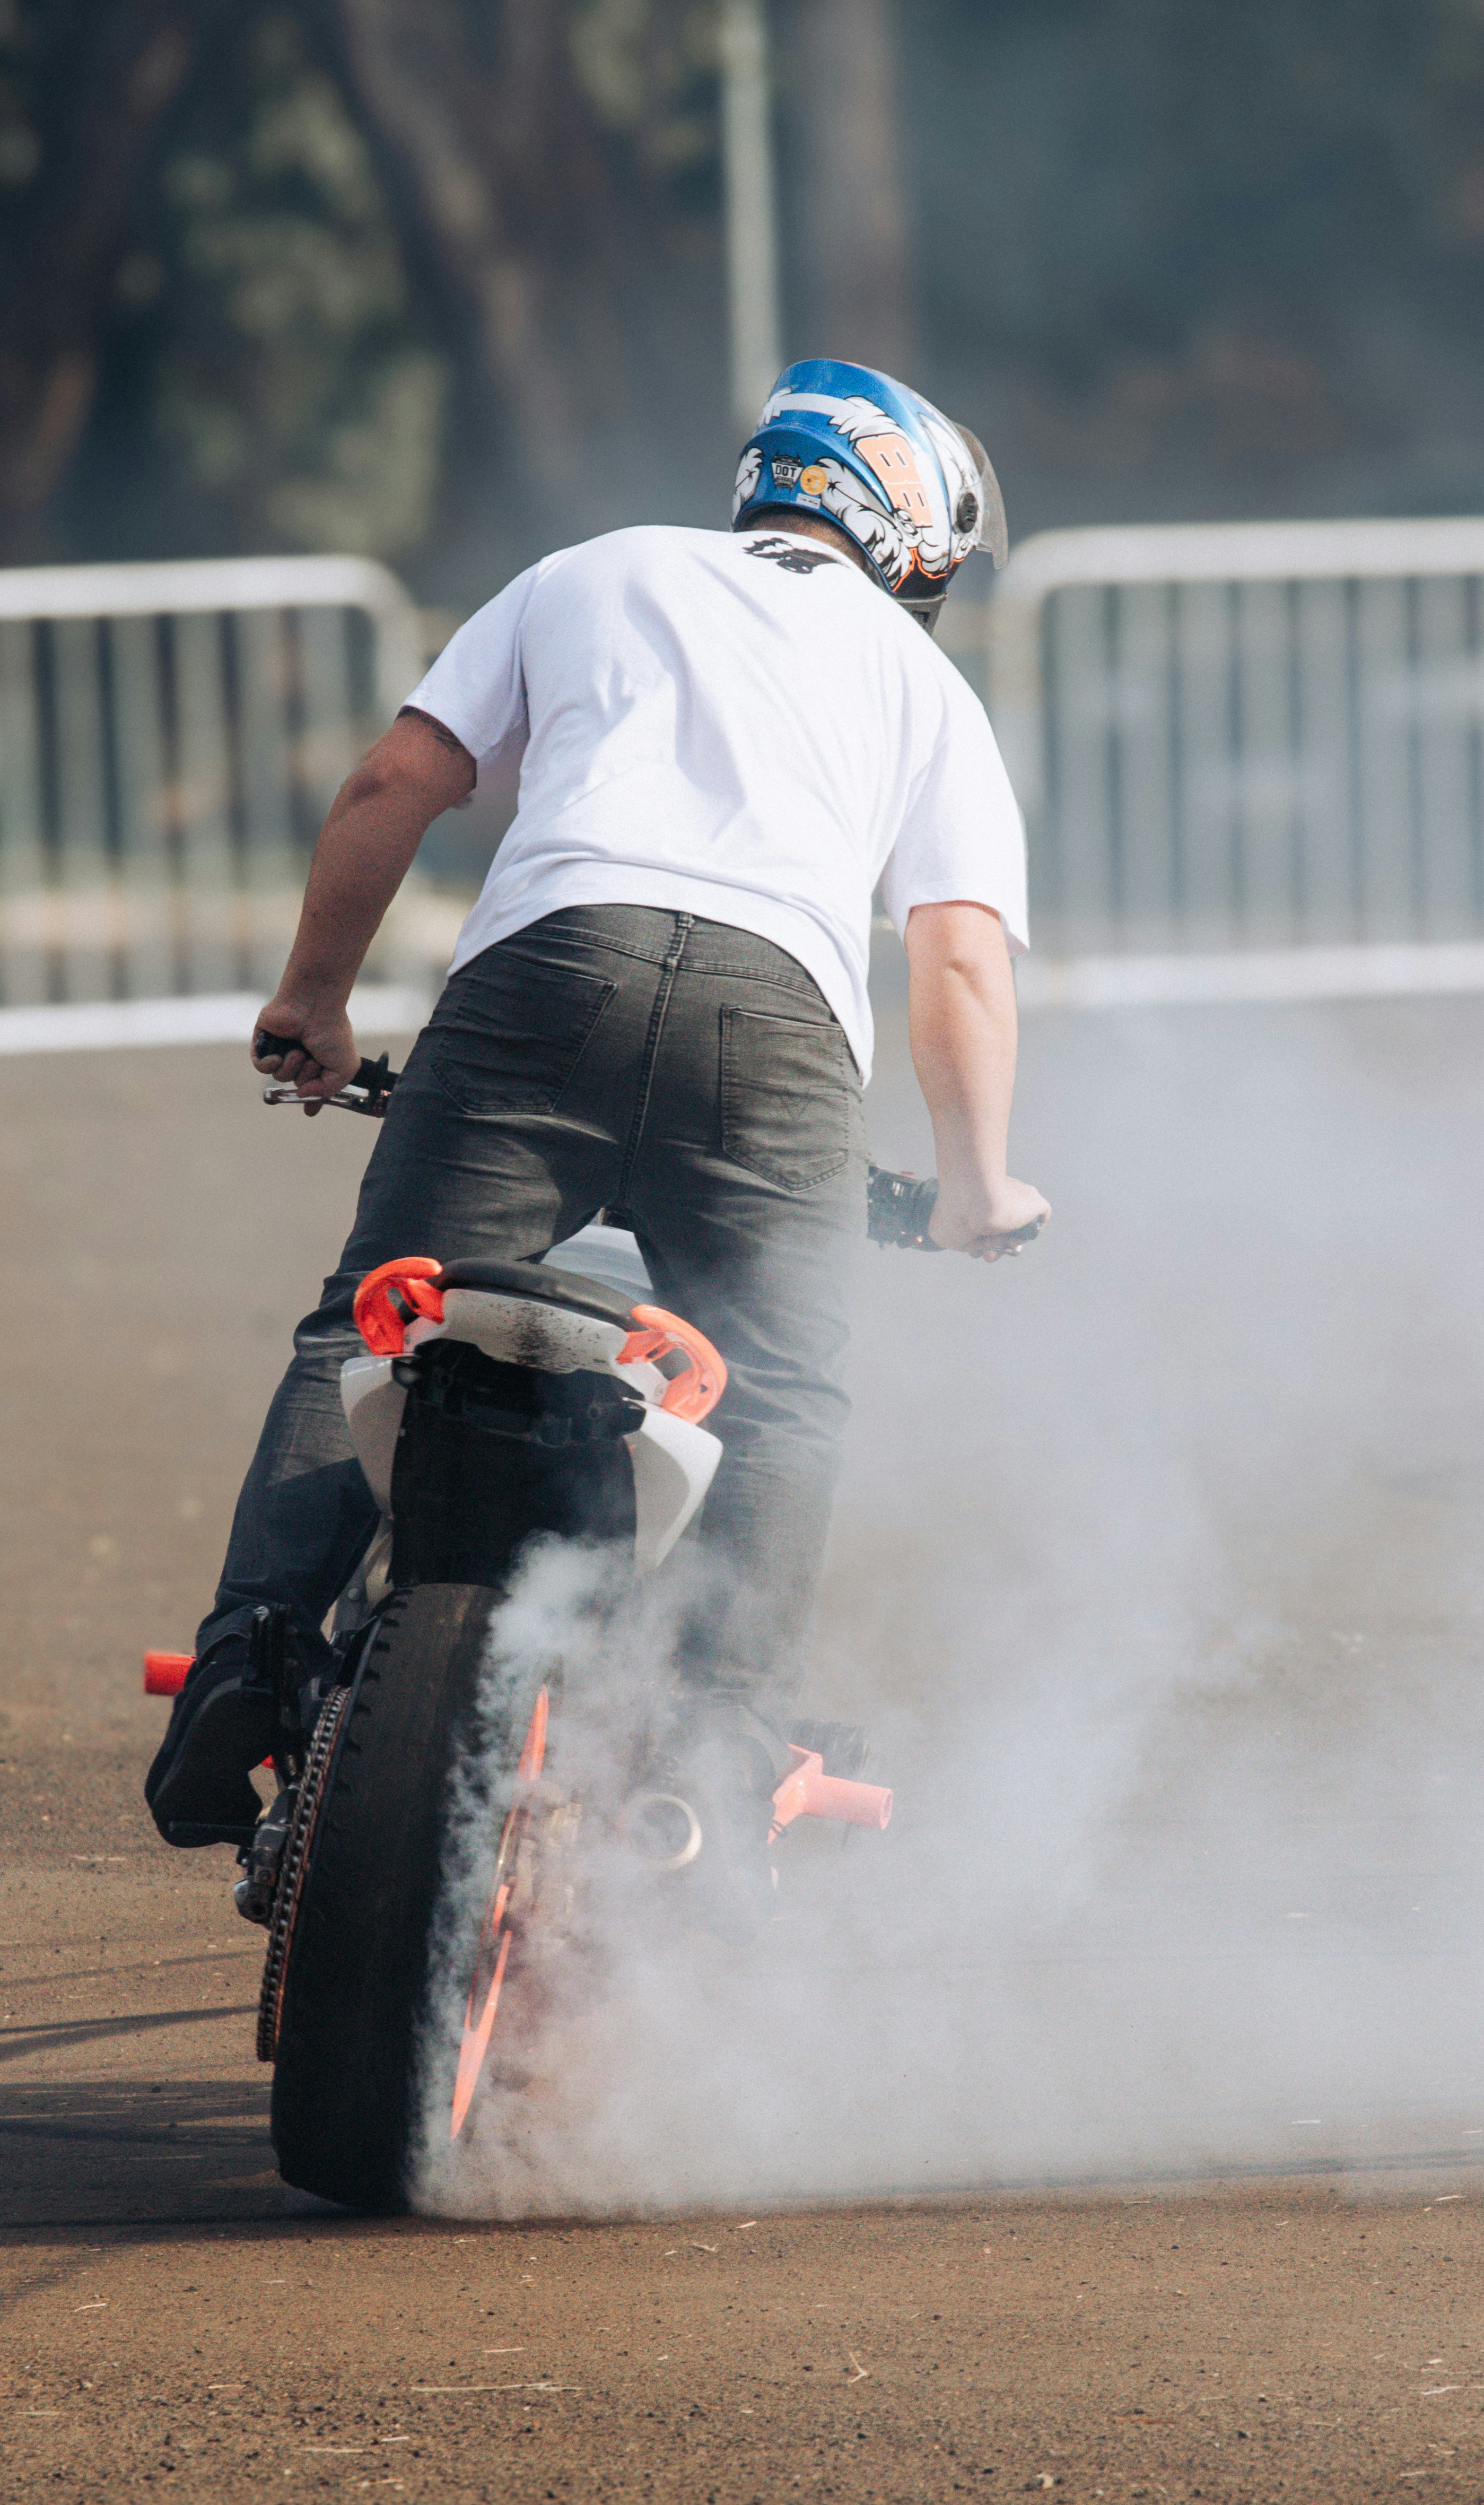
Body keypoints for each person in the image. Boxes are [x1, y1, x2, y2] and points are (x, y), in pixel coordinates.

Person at [144, 358, 1050, 1918]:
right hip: (775, 1048)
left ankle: (249, 1651)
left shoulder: (590, 569)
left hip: (540, 985)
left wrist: (315, 1004)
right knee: (777, 1397)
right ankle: (713, 1734)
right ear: (904, 525)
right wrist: (975, 1186)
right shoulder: (925, 692)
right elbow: (956, 957)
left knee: (369, 1318)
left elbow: (390, 785)